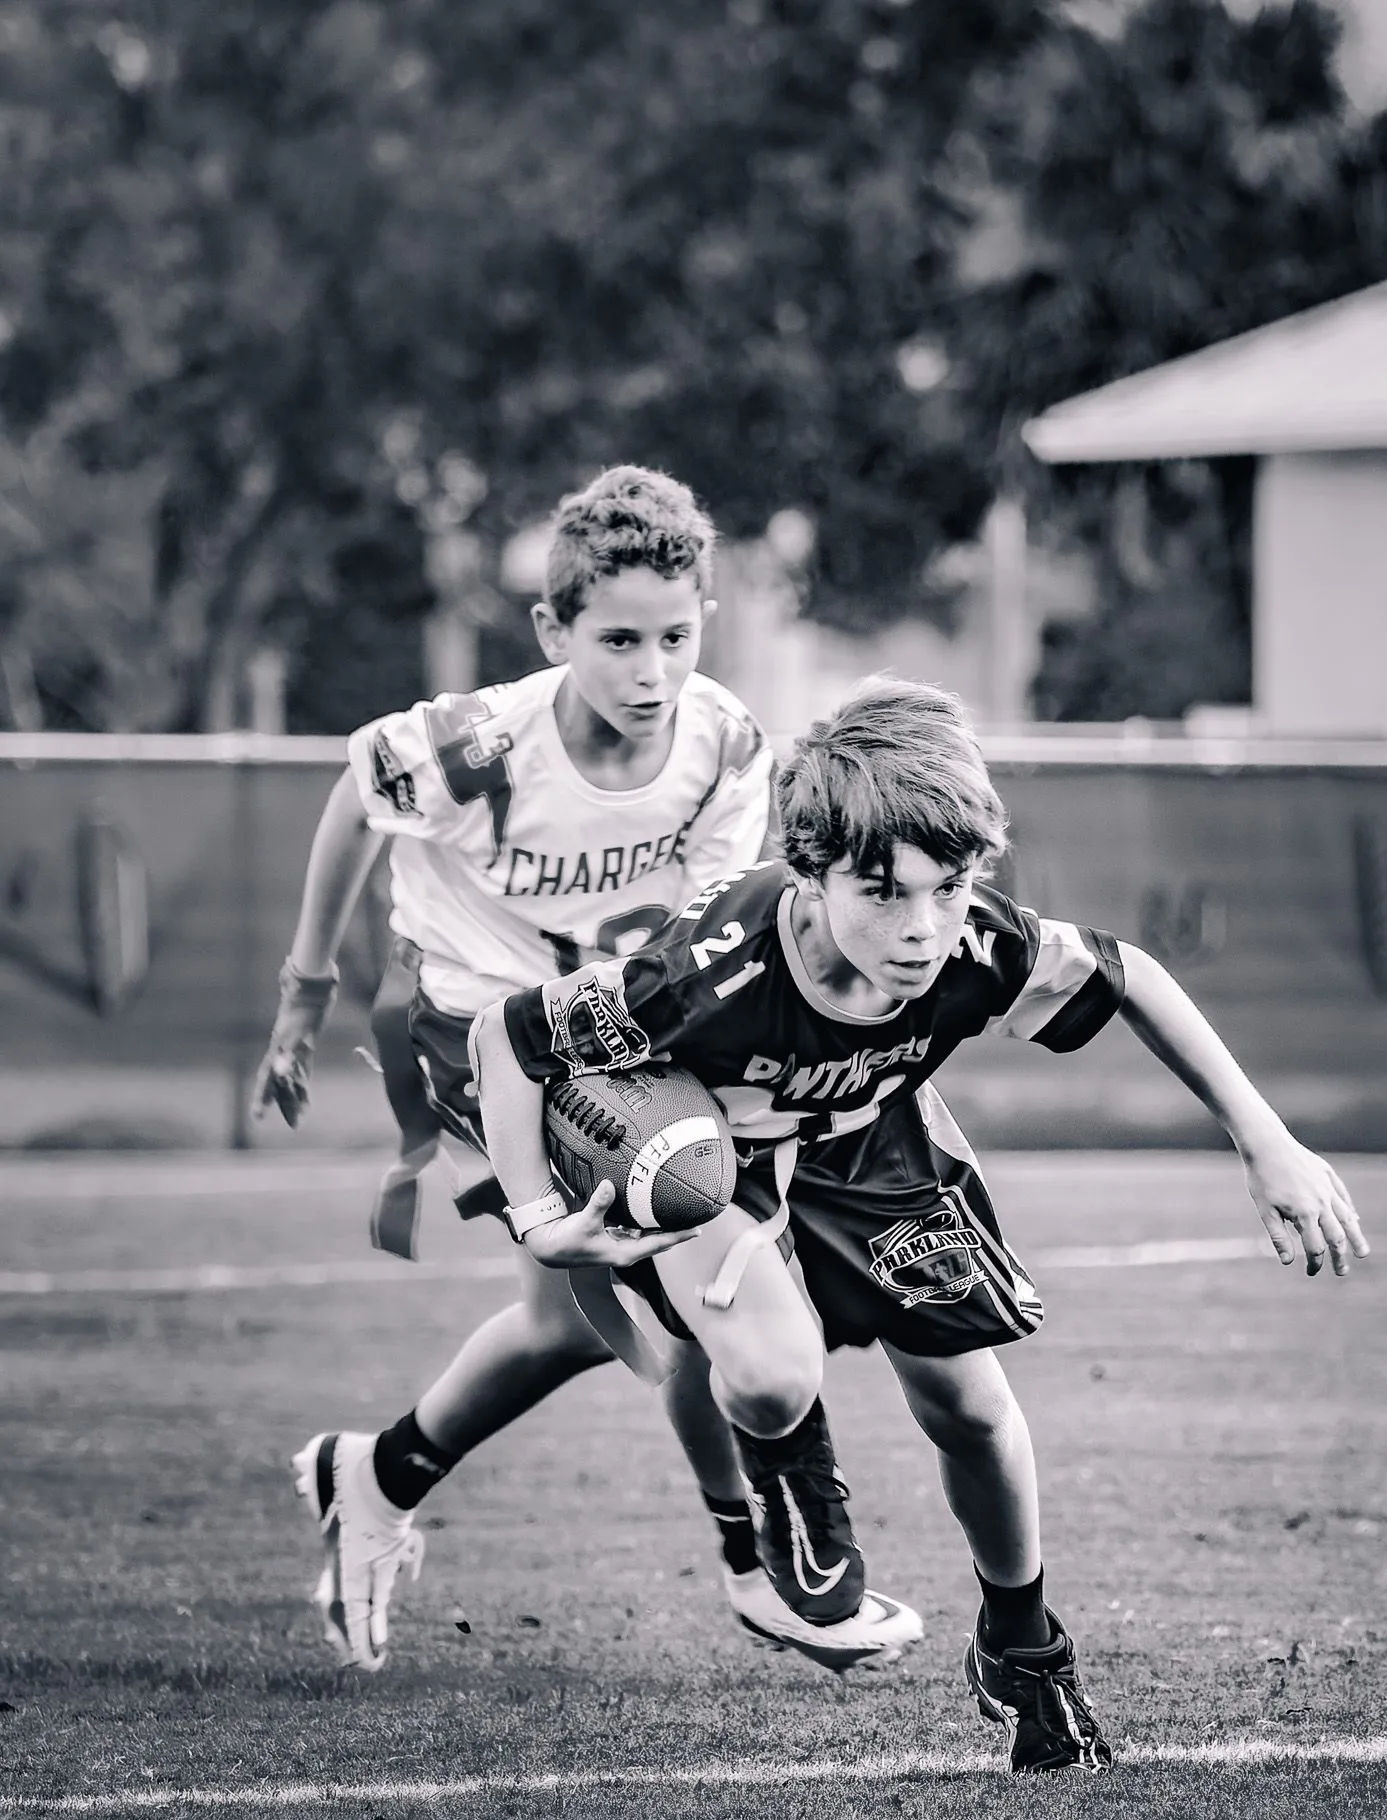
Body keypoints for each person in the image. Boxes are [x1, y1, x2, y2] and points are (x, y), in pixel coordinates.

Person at [469, 678, 1369, 1774]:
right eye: (882, 892)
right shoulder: (709, 971)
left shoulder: (976, 945)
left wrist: (1265, 1140)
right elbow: (508, 1037)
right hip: (713, 1153)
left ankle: (1024, 1647)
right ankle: (798, 1506)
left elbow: (1132, 973)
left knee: (976, 1413)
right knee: (769, 1367)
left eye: (948, 888)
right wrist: (534, 1216)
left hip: (874, 1139)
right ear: (810, 869)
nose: (921, 927)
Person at [251, 466, 922, 1675]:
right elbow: (357, 802)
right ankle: (759, 1567)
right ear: (554, 631)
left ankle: (377, 1472)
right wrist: (303, 994)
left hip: (620, 1035)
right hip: (478, 1033)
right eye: (618, 639)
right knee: (688, 1272)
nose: (651, 669)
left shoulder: (724, 739)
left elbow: (706, 923)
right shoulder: (478, 745)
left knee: (562, 1323)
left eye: (676, 633)